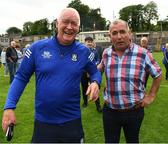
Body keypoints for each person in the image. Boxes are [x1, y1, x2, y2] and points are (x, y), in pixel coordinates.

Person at [2, 8, 101, 143]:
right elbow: (21, 77)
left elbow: (95, 71)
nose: (69, 27)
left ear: (78, 27)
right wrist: (9, 107)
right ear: (57, 24)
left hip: (72, 122)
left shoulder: (84, 51)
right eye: (65, 22)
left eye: (74, 23)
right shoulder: (37, 48)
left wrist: (95, 82)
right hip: (44, 123)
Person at [98, 19, 162, 143]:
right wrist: (93, 80)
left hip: (134, 112)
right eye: (114, 33)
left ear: (130, 33)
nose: (119, 36)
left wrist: (151, 96)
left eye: (122, 32)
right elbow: (99, 69)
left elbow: (158, 74)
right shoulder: (106, 53)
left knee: (133, 141)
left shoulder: (143, 53)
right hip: (110, 111)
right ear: (110, 36)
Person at [81, 36, 102, 112]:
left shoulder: (94, 51)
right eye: (87, 42)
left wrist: (93, 66)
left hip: (92, 73)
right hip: (83, 73)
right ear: (85, 43)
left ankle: (98, 106)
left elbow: (98, 60)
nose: (89, 43)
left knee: (95, 88)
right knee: (84, 88)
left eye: (90, 41)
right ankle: (85, 102)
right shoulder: (81, 51)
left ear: (92, 42)